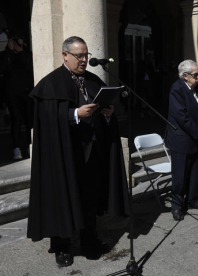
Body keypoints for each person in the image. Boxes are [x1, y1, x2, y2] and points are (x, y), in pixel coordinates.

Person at [27, 36, 130, 267]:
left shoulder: (93, 80)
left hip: (92, 152)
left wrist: (107, 114)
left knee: (90, 198)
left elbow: (102, 113)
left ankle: (89, 239)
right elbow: (46, 119)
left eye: (86, 55)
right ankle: (62, 246)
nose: (83, 60)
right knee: (63, 197)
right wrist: (74, 114)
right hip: (64, 154)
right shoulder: (51, 83)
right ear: (65, 55)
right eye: (79, 56)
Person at [164, 60, 198, 220]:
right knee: (180, 175)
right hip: (182, 139)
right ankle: (177, 205)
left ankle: (192, 199)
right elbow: (181, 116)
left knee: (196, 172)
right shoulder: (177, 89)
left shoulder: (197, 87)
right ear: (185, 76)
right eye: (195, 74)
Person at [0, 37, 34, 160]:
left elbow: (30, 67)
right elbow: (4, 69)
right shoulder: (4, 55)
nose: (14, 44)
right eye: (12, 42)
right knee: (16, 120)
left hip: (26, 92)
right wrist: (9, 51)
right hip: (12, 93)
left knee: (29, 120)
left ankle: (29, 146)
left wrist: (21, 53)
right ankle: (16, 148)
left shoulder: (27, 54)